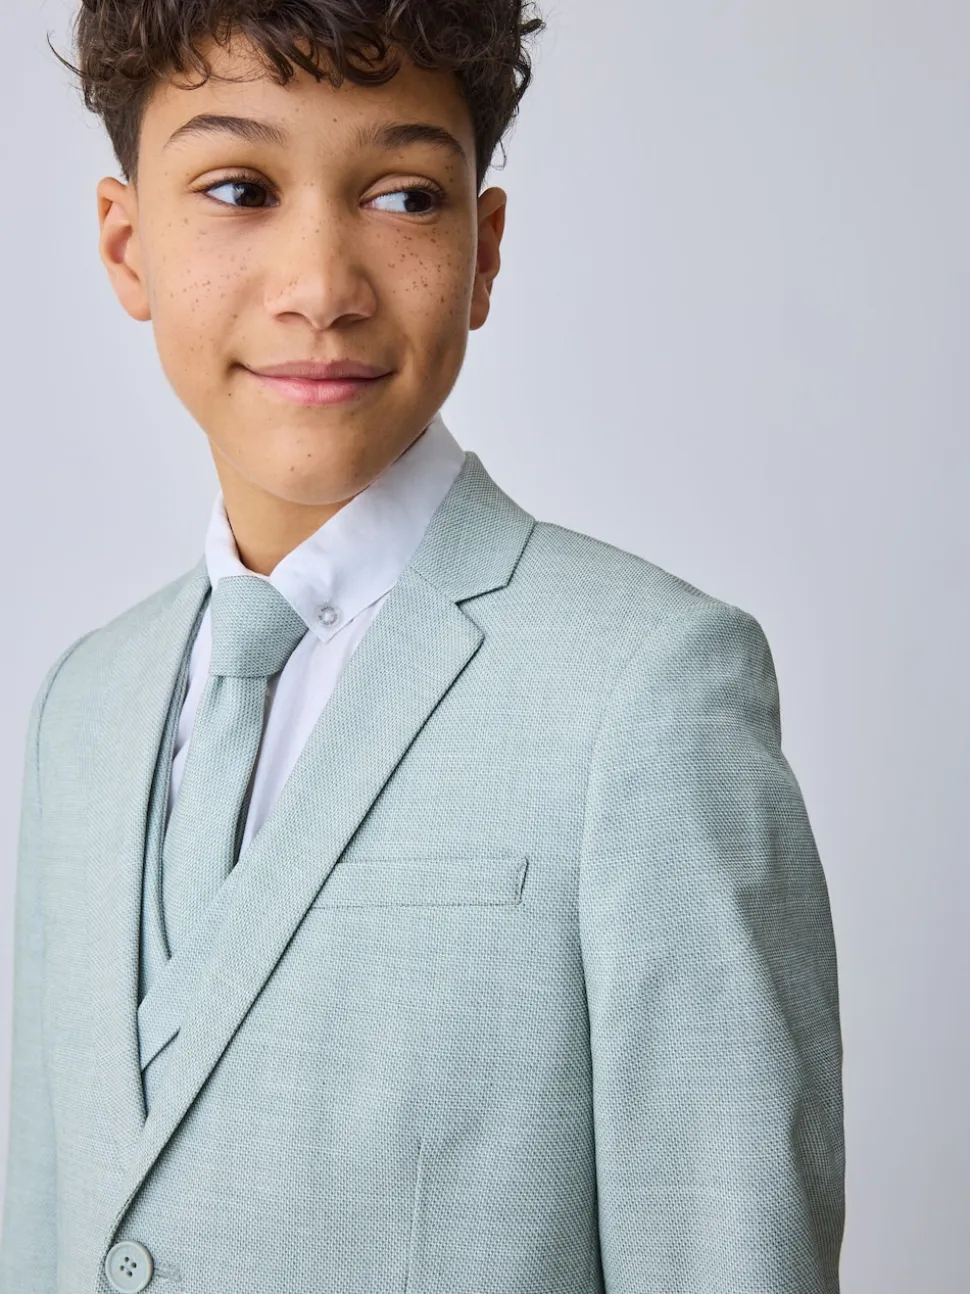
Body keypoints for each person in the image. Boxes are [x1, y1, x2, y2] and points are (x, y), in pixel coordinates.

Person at [0, 4, 845, 1292]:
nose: (321, 289)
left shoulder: (647, 692)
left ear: (483, 252)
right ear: (127, 246)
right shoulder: (84, 704)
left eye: (403, 198)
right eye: (239, 190)